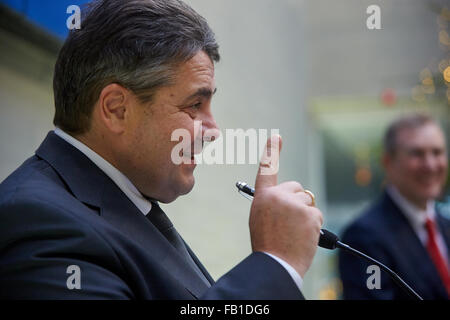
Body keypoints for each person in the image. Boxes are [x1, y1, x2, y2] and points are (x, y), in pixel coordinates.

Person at [0, 0, 323, 299]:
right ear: (116, 109)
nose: (213, 131)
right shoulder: (40, 224)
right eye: (195, 104)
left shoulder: (125, 201)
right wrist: (275, 262)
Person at [339, 113, 450, 300]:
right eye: (417, 154)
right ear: (388, 162)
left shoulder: (446, 226)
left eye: (437, 152)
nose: (430, 165)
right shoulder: (364, 238)